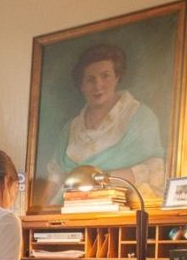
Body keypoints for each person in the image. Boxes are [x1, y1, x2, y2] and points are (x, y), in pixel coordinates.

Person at [39, 43, 167, 205]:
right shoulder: (70, 129)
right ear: (82, 86)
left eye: (105, 76)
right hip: (71, 211)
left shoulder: (141, 117)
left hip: (121, 210)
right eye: (90, 79)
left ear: (117, 78)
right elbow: (56, 175)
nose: (98, 85)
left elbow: (154, 168)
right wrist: (43, 211)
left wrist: (100, 181)